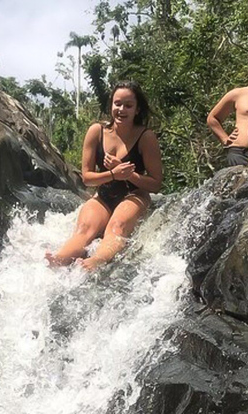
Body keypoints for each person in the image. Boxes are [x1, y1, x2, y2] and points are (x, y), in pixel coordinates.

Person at [45, 81, 163, 271]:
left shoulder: (146, 137)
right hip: (104, 195)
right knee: (84, 229)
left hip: (134, 195)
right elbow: (87, 178)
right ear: (111, 106)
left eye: (128, 105)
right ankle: (59, 259)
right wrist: (112, 174)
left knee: (116, 226)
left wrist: (128, 175)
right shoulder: (96, 131)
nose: (121, 109)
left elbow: (156, 184)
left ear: (137, 109)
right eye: (117, 104)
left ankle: (96, 260)